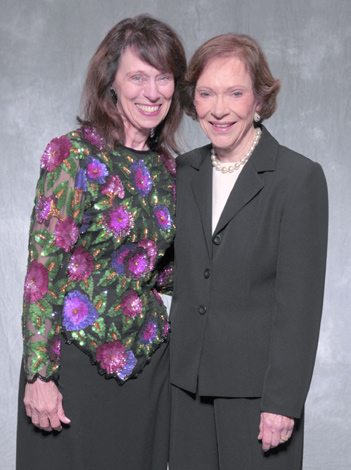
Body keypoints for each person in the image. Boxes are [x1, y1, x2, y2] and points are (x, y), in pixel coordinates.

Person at [16, 14, 186, 470]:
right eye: (138, 76)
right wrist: (39, 374)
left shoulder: (171, 170)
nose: (153, 92)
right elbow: (42, 274)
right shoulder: (71, 155)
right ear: (110, 82)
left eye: (164, 77)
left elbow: (163, 272)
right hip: (74, 369)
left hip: (150, 372)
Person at [169, 33, 328, 470]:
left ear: (258, 99)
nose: (219, 109)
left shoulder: (298, 178)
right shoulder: (182, 172)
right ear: (192, 101)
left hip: (259, 398)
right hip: (184, 389)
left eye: (235, 93)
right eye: (206, 93)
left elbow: (300, 302)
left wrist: (283, 401)